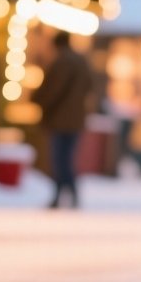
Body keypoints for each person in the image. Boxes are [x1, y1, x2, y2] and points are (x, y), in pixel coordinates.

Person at [33, 31, 94, 208]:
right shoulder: (81, 61)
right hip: (76, 119)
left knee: (59, 160)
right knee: (67, 158)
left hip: (59, 119)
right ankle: (68, 193)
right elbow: (89, 86)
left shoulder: (61, 62)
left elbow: (53, 89)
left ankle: (61, 194)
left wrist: (37, 99)